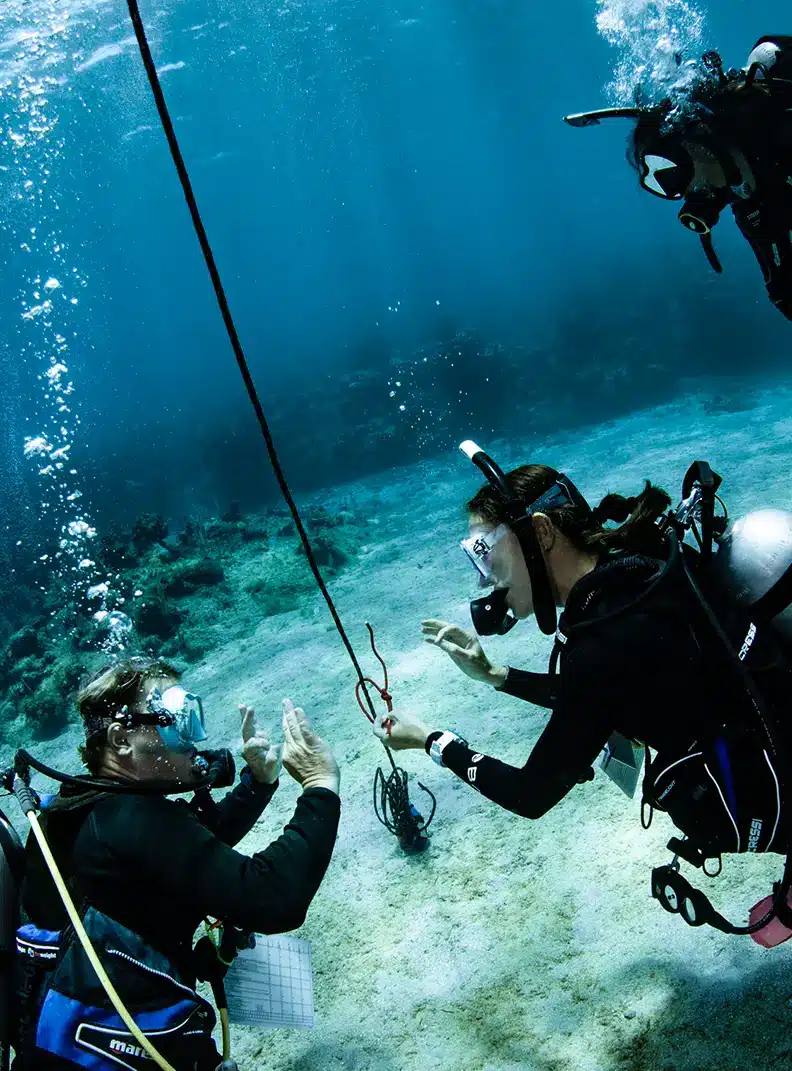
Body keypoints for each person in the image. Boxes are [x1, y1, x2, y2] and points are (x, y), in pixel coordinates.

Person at [371, 444, 792, 941]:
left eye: (484, 552)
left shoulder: (603, 641)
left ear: (543, 533)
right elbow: (598, 698)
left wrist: (433, 742)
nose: (485, 577)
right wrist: (496, 674)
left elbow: (532, 793)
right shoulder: (639, 567)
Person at [13, 657, 341, 1070]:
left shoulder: (77, 808)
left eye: (189, 715)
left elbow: (185, 853)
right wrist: (320, 786)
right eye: (175, 719)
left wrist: (258, 784)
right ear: (121, 740)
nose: (192, 736)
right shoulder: (133, 818)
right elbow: (275, 897)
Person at [564, 36, 792, 320]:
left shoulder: (779, 123)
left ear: (697, 146)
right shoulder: (750, 206)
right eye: (662, 185)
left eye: (672, 174)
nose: (686, 192)